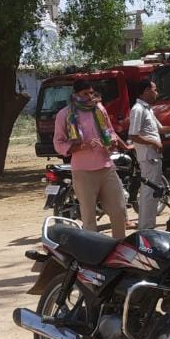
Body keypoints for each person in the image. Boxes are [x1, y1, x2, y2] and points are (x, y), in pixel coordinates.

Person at [54, 80, 129, 238]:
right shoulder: (64, 114)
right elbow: (58, 144)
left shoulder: (99, 109)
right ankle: (92, 251)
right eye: (85, 94)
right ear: (75, 95)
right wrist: (82, 146)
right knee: (89, 218)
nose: (89, 97)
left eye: (91, 93)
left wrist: (112, 142)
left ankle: (119, 247)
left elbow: (110, 131)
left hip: (106, 166)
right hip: (83, 172)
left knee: (119, 211)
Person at [128, 80, 170, 230]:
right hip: (148, 157)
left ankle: (146, 226)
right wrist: (153, 142)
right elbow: (133, 135)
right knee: (149, 192)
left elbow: (161, 129)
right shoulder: (138, 109)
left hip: (154, 157)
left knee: (152, 192)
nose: (157, 93)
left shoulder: (147, 109)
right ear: (146, 91)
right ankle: (146, 227)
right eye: (154, 90)